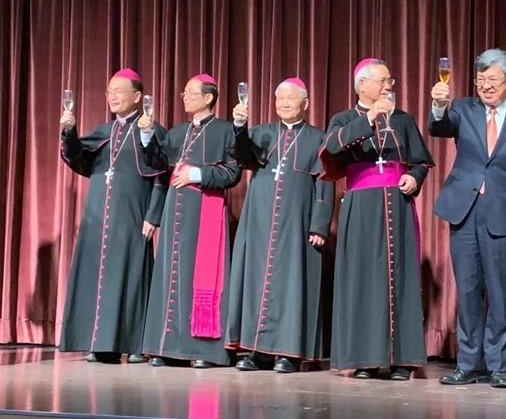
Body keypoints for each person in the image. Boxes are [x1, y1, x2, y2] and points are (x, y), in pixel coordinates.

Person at [429, 48, 506, 389]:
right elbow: (438, 127)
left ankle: (497, 366)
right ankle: (467, 364)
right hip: (464, 211)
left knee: (499, 291)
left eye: (492, 80)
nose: (485, 86)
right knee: (467, 289)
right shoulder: (463, 108)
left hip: (503, 215)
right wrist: (438, 105)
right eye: (480, 80)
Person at [320, 58, 434, 381]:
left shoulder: (403, 120)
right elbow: (331, 149)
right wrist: (369, 118)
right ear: (362, 85)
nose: (389, 86)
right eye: (383, 81)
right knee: (362, 279)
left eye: (390, 81)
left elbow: (421, 161)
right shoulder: (344, 119)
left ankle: (400, 359)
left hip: (397, 205)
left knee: (398, 278)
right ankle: (363, 359)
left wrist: (415, 177)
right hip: (361, 208)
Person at [226, 77, 334, 373]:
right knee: (256, 280)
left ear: (305, 104)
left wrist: (319, 225)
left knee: (291, 284)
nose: (284, 103)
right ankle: (256, 351)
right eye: (279, 99)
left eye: (290, 98)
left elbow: (325, 183)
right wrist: (239, 128)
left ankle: (288, 353)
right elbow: (244, 156)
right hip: (259, 218)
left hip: (296, 219)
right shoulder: (261, 132)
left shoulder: (317, 137)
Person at [58, 68, 166, 364]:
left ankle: (135, 344)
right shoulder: (104, 131)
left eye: (120, 91)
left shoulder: (151, 129)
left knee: (130, 277)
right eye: (109, 91)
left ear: (137, 96)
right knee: (98, 277)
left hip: (132, 215)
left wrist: (153, 216)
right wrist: (69, 132)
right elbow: (79, 159)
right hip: (99, 214)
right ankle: (100, 342)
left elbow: (161, 175)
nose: (113, 96)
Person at [138, 73, 241, 368]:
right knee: (171, 274)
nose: (184, 97)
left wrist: (197, 174)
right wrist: (147, 138)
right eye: (183, 93)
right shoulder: (178, 132)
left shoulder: (225, 131)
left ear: (209, 97)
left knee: (201, 276)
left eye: (190, 93)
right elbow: (159, 166)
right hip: (174, 211)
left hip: (204, 209)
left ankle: (203, 351)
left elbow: (232, 174)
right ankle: (166, 346)